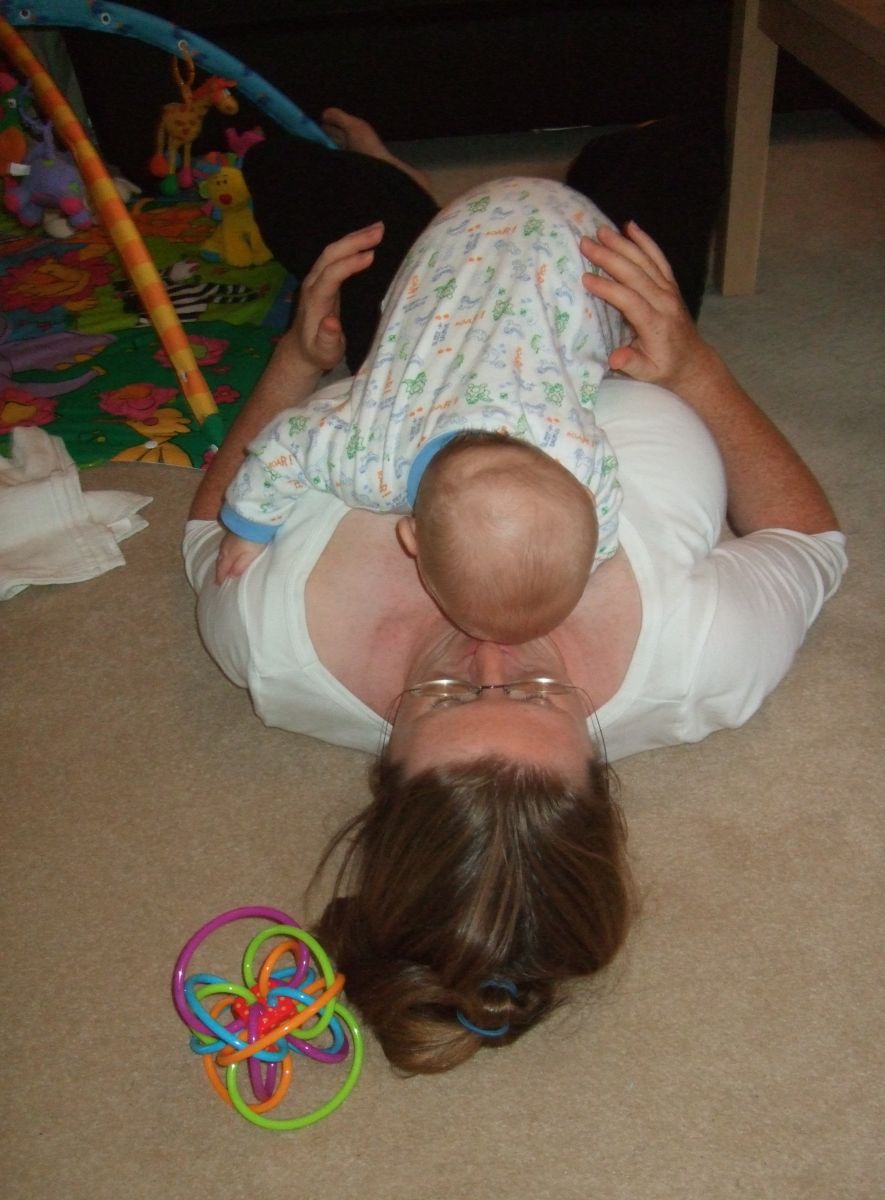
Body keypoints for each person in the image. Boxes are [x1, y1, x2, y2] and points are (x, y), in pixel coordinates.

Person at [185, 111, 846, 1074]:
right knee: (673, 145)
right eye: (538, 694)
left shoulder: (276, 647)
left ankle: (402, 190)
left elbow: (210, 536)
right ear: (599, 757)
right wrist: (696, 368)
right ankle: (536, 185)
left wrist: (297, 362)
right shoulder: (699, 661)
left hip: (417, 348)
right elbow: (811, 542)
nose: (487, 650)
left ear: (386, 761)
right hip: (601, 322)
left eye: (445, 696)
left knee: (287, 175)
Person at [216, 176, 626, 643]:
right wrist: (249, 526)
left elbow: (602, 500)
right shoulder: (370, 461)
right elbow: (286, 444)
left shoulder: (575, 455)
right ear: (410, 537)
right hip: (492, 236)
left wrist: (594, 556)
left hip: (547, 234)